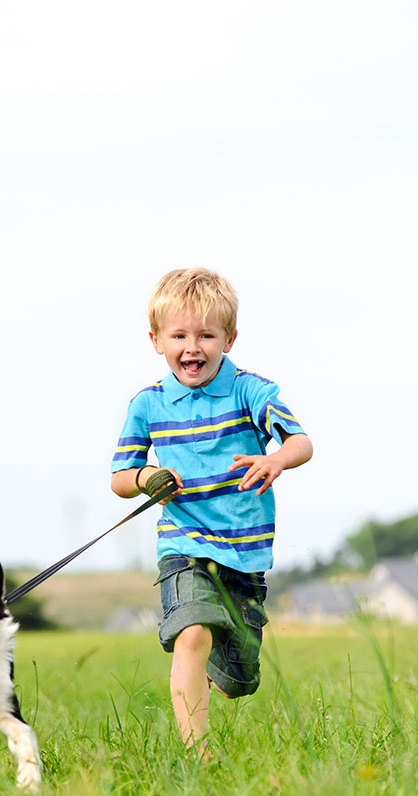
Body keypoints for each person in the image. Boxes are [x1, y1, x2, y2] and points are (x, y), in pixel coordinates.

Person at [111, 267, 313, 754]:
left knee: (238, 682)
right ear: (157, 340)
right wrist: (147, 478)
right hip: (183, 543)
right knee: (191, 630)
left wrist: (275, 458)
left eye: (206, 335)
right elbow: (120, 478)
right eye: (179, 335)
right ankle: (198, 755)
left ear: (230, 338)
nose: (192, 347)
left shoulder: (250, 391)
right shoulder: (148, 404)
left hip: (244, 554)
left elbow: (301, 442)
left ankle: (221, 674)